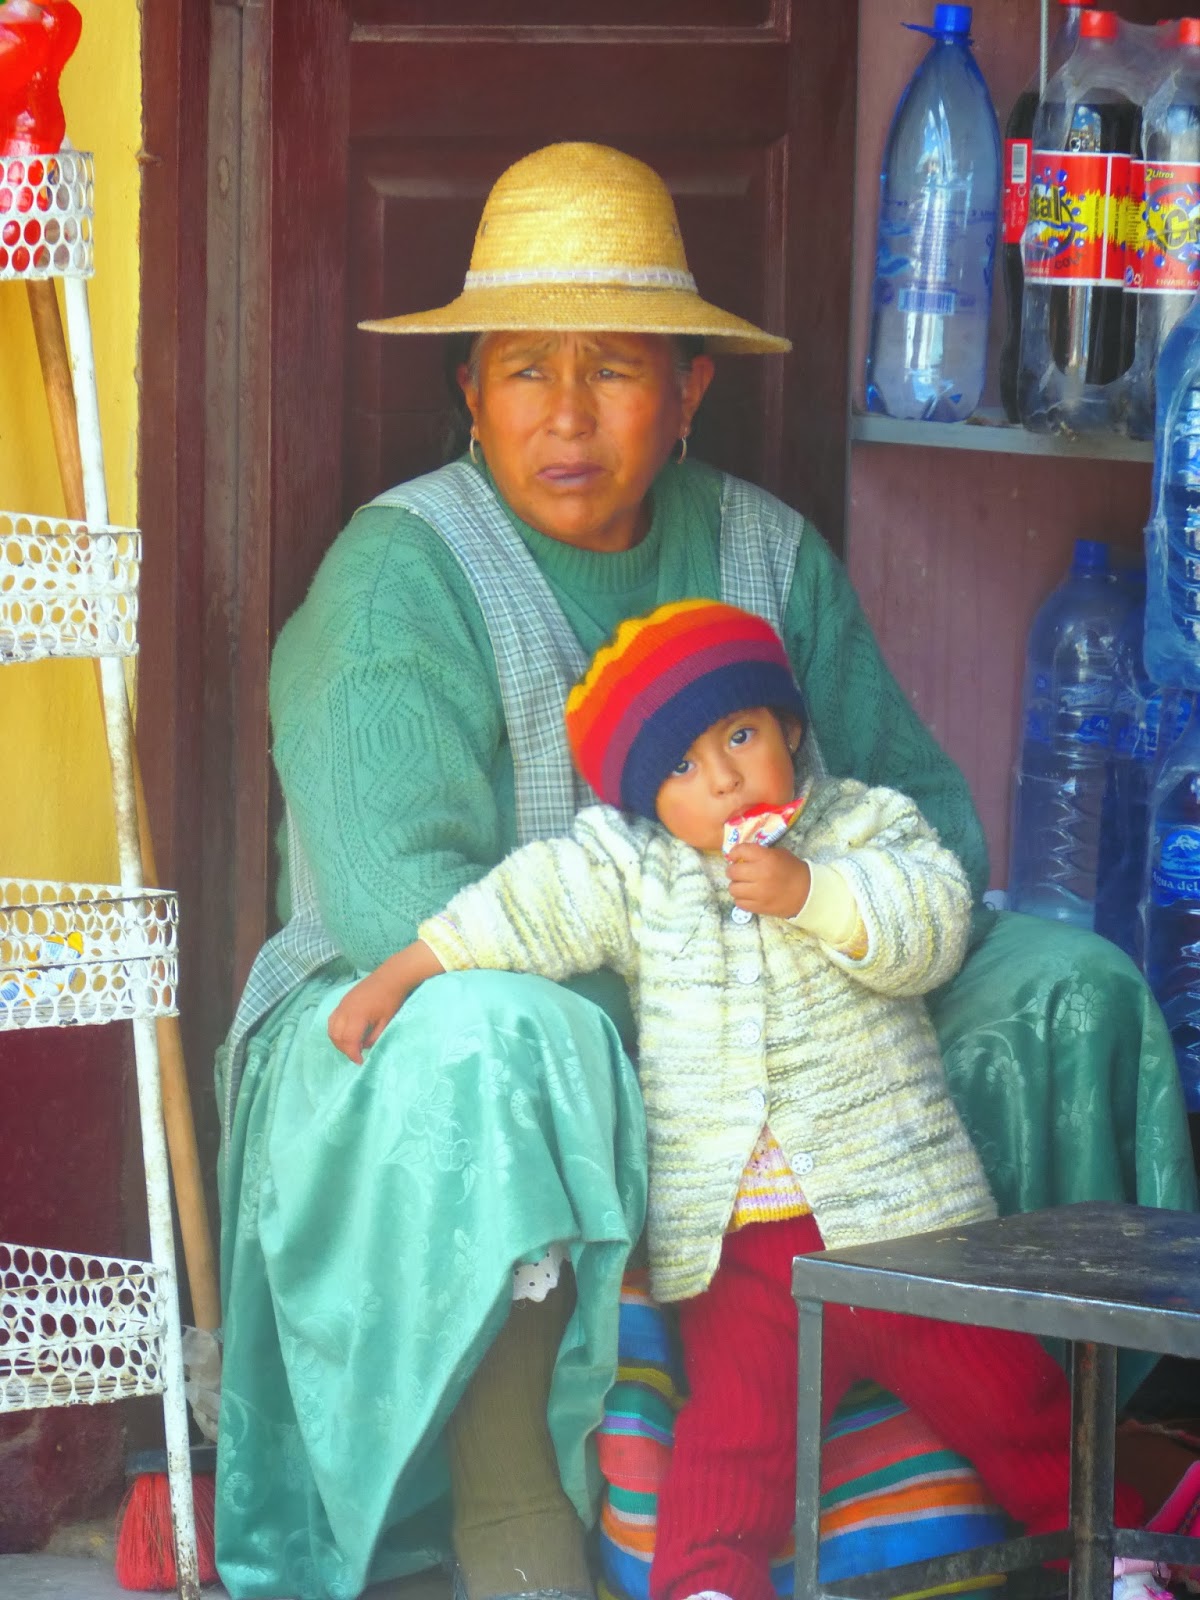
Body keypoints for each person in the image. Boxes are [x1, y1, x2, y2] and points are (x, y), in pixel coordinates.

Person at [213, 141, 1197, 1600]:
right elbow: (395, 910)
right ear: (470, 390)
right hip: (423, 1034)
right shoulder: (398, 575)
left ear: (689, 391)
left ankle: (1072, 1478)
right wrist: (699, 1009)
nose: (565, 412)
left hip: (788, 997)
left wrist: (823, 923)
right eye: (524, 369)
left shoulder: (762, 551)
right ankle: (514, 1521)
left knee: (1070, 980)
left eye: (613, 368)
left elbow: (928, 820)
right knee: (516, 1035)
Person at [325, 598, 1156, 1600]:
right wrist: (406, 969)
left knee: (1023, 1411)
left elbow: (931, 924)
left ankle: (1123, 1562)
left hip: (912, 1236)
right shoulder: (640, 872)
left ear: (789, 728)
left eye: (740, 736)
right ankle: (708, 1581)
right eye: (681, 767)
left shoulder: (862, 825)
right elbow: (531, 902)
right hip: (746, 1261)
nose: (721, 778)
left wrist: (813, 893)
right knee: (730, 1445)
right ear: (649, 801)